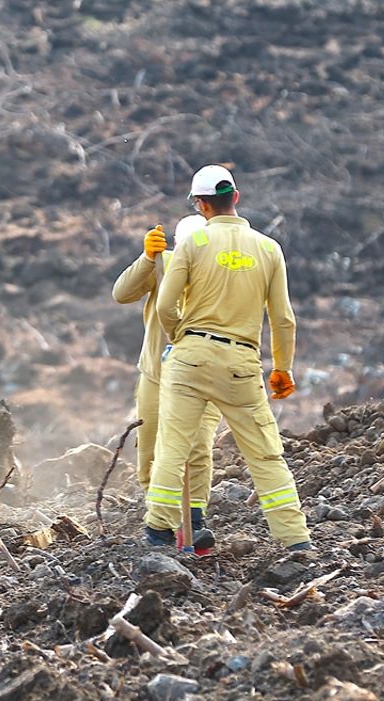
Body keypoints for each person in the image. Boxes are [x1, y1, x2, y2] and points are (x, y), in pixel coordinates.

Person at [148, 165, 312, 551]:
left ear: (200, 205)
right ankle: (295, 540)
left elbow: (166, 307)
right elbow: (283, 319)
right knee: (266, 454)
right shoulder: (270, 249)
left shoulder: (193, 243)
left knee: (173, 445)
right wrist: (282, 368)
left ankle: (158, 531)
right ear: (236, 198)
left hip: (190, 359)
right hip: (241, 364)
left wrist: (181, 337)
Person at [113, 215, 222, 550]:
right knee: (151, 452)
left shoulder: (220, 275)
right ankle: (162, 522)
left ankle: (194, 523)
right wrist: (147, 259)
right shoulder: (165, 266)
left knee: (198, 448)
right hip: (157, 377)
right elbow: (122, 293)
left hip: (204, 377)